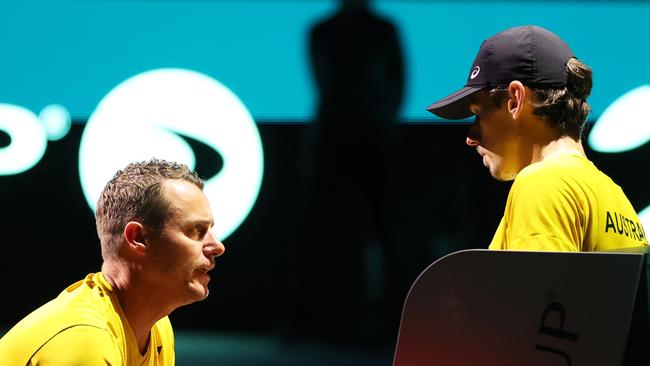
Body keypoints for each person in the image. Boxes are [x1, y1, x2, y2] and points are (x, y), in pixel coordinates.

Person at [426, 25, 648, 251]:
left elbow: (542, 288)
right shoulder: (616, 199)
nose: (471, 138)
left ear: (515, 99)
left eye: (478, 114)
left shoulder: (541, 182)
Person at [0, 158, 225, 364]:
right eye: (196, 230)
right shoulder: (85, 340)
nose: (218, 247)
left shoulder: (157, 328)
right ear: (138, 238)